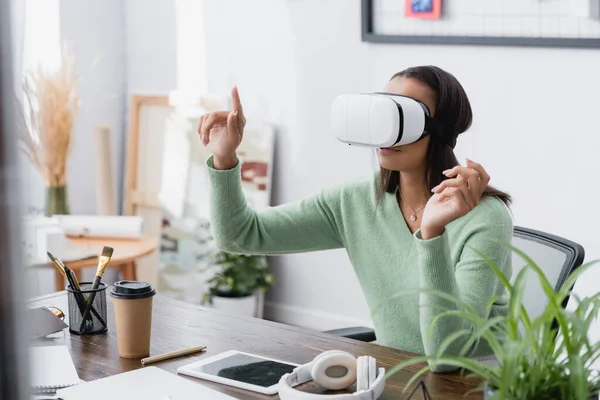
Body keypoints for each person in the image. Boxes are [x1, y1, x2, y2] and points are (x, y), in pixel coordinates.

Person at [197, 65, 513, 372]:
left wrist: (432, 231)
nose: (387, 132)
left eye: (403, 115)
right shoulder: (355, 202)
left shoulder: (485, 218)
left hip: (475, 386)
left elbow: (447, 356)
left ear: (440, 130)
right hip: (395, 376)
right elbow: (240, 235)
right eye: (382, 113)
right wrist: (225, 158)